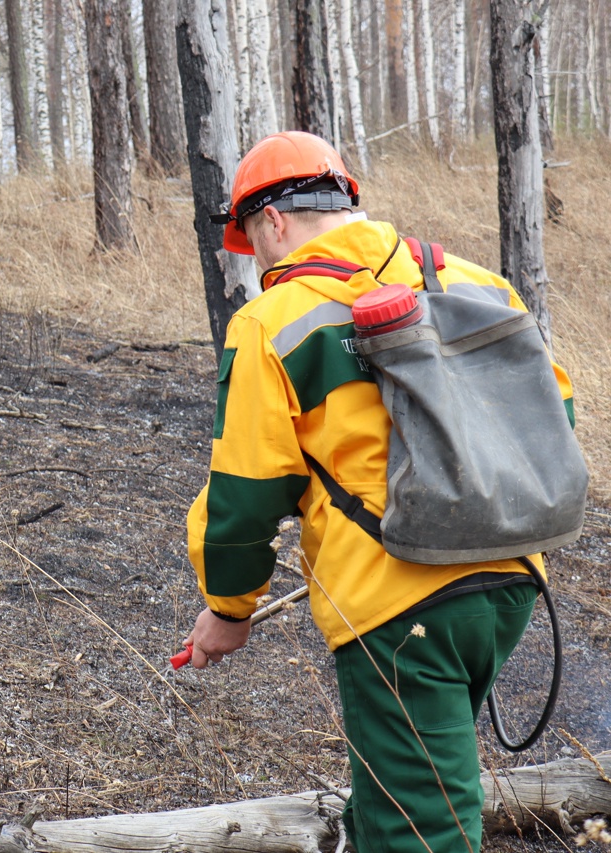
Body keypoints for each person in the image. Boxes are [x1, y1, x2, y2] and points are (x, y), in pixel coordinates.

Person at [181, 131, 576, 853]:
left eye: (253, 243)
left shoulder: (271, 322)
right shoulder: (475, 281)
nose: (257, 263)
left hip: (401, 609)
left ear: (274, 222)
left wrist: (228, 607)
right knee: (393, 792)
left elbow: (245, 492)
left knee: (418, 831)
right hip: (513, 583)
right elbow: (556, 416)